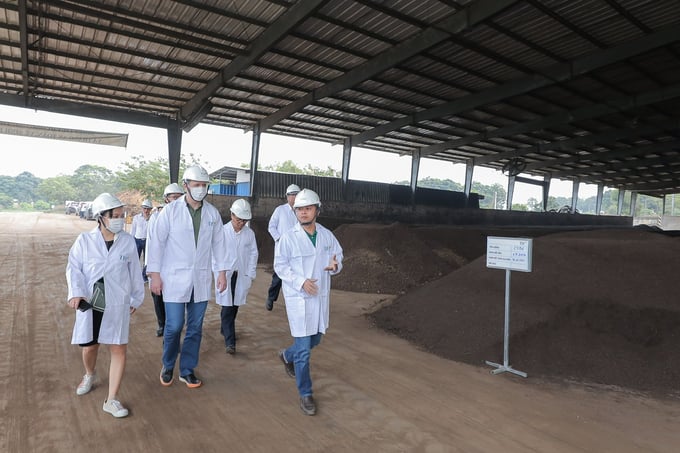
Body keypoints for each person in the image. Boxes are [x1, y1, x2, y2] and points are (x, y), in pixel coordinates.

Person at [146, 165, 231, 389]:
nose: (201, 189)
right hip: (173, 278)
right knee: (174, 326)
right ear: (186, 186)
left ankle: (187, 369)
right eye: (196, 185)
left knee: (195, 328)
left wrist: (221, 272)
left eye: (204, 185)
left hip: (200, 279)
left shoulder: (212, 214)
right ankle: (167, 364)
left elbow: (219, 245)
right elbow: (156, 244)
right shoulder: (170, 211)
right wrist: (154, 275)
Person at [65, 192, 145, 418]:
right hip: (92, 299)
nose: (120, 219)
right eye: (115, 216)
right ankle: (89, 374)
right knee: (90, 346)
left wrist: (136, 298)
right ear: (101, 217)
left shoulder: (128, 241)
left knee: (118, 347)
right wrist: (76, 293)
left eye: (122, 215)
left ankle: (111, 400)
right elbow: (74, 268)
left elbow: (135, 274)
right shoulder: (85, 240)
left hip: (117, 300)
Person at [274, 189, 343, 416]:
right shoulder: (288, 238)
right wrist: (301, 281)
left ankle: (287, 355)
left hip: (319, 297)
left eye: (308, 208)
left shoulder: (327, 236)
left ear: (317, 210)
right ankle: (306, 393)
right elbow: (280, 266)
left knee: (316, 339)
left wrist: (335, 266)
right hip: (299, 298)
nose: (303, 213)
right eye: (299, 209)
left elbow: (337, 257)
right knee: (304, 351)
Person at [214, 199, 257, 355]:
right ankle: (230, 342)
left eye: (244, 220)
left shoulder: (249, 234)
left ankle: (224, 329)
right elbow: (216, 255)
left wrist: (250, 273)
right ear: (231, 215)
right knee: (227, 307)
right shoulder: (222, 232)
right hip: (226, 274)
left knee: (235, 305)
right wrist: (220, 273)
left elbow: (253, 254)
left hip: (241, 275)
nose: (241, 223)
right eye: (239, 219)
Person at [146, 183, 184, 337]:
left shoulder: (185, 216)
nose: (176, 200)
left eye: (179, 197)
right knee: (158, 296)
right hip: (159, 265)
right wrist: (151, 268)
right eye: (173, 197)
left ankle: (172, 328)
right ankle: (162, 324)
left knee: (175, 298)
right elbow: (151, 243)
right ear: (166, 199)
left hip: (176, 265)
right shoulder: (156, 217)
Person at [266, 183, 300, 311]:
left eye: (296, 195)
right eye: (291, 195)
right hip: (282, 249)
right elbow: (271, 226)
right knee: (279, 275)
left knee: (296, 275)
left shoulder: (301, 211)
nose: (294, 197)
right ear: (287, 197)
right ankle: (271, 297)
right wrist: (279, 239)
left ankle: (294, 303)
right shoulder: (280, 210)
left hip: (297, 249)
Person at [130, 198, 153, 282]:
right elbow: (133, 230)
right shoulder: (136, 218)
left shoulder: (153, 218)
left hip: (147, 241)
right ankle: (134, 276)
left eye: (148, 208)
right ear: (142, 208)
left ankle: (144, 276)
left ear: (150, 209)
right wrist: (131, 241)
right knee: (135, 259)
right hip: (137, 240)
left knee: (146, 260)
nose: (146, 210)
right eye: (144, 208)